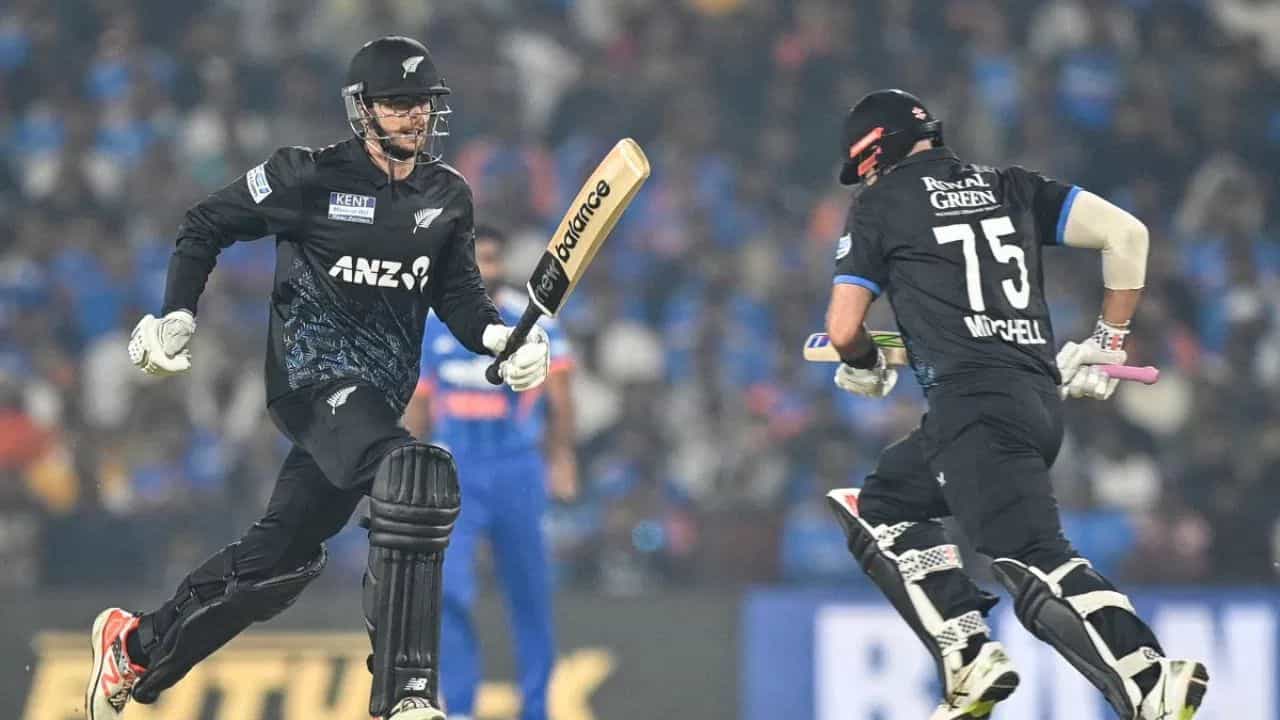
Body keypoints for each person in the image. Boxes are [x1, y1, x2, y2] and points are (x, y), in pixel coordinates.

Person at [85, 36, 552, 720]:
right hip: (310, 382)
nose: (415, 115)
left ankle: (134, 645)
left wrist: (501, 340)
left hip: (373, 405)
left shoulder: (447, 196)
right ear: (363, 110)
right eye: (397, 102)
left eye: (422, 102)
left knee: (278, 561)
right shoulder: (306, 176)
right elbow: (205, 223)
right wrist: (176, 315)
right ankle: (407, 692)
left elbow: (458, 295)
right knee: (414, 475)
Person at [820, 89, 1209, 720]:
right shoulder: (1010, 185)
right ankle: (968, 655)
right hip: (1033, 402)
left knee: (1032, 558)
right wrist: (1107, 342)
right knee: (882, 505)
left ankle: (1147, 675)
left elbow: (843, 330)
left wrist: (864, 364)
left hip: (971, 410)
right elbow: (1126, 234)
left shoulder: (880, 202)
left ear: (872, 155)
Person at [404, 224, 577, 720]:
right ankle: (459, 708)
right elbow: (419, 406)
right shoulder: (432, 324)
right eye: (475, 260)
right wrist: (410, 467)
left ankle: (537, 710)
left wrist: (562, 458)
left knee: (530, 596)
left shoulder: (533, 322)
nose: (485, 270)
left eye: (493, 259)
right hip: (455, 475)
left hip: (517, 471)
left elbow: (562, 398)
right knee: (447, 591)